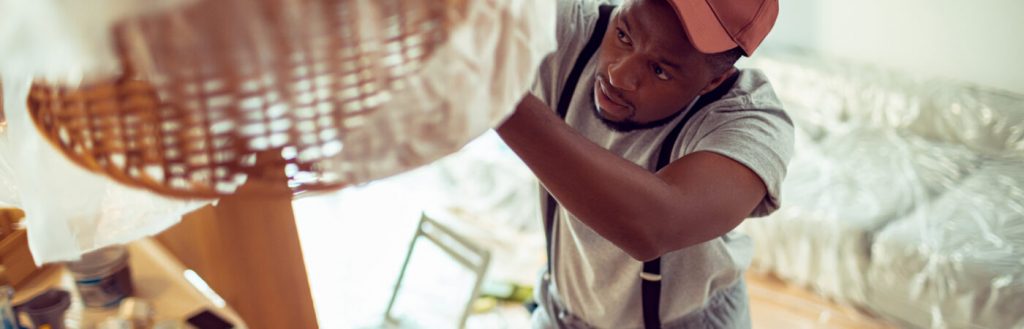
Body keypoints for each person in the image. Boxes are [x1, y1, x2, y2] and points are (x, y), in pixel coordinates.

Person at [494, 0, 794, 327]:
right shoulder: (574, 30)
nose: (618, 75)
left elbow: (653, 225)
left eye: (660, 70)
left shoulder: (751, 125)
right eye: (624, 35)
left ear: (714, 82)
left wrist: (491, 90)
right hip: (566, 311)